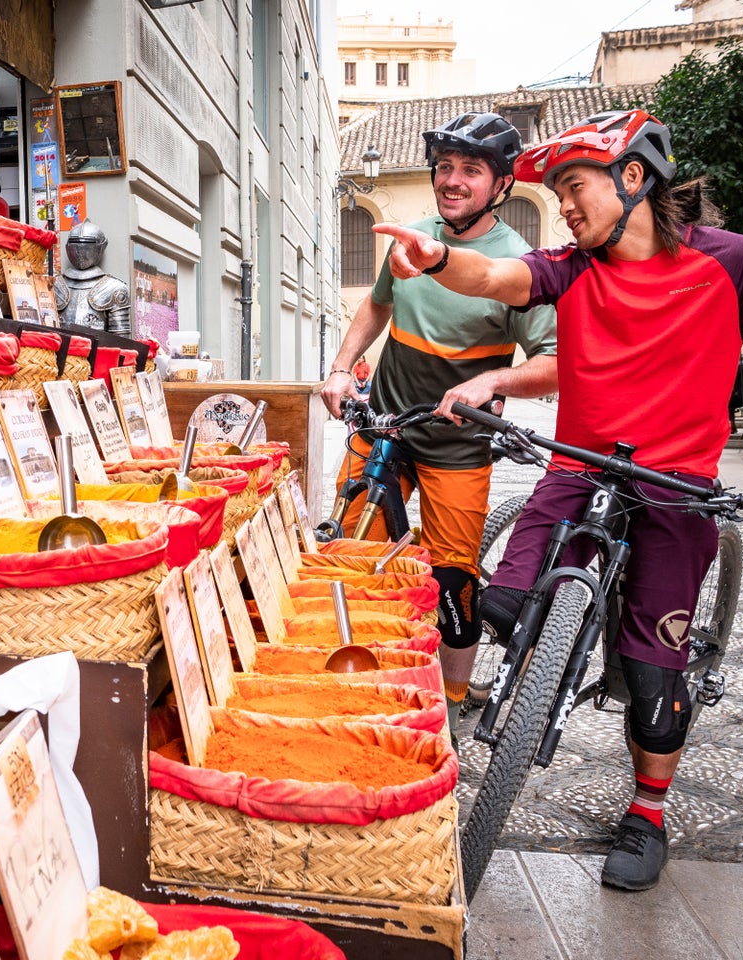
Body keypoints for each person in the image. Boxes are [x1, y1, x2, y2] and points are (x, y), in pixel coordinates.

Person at [373, 109, 743, 891]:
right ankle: (553, 661)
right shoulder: (571, 266)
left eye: (574, 188)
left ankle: (647, 813)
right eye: (557, 193)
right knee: (500, 604)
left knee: (652, 678)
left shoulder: (738, 262)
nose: (564, 207)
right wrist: (438, 258)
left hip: (678, 486)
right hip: (579, 469)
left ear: (633, 177)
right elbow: (493, 277)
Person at [321, 113, 559, 735]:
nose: (452, 180)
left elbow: (555, 362)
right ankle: (360, 683)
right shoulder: (411, 238)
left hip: (458, 442)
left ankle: (450, 705)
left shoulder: (519, 263)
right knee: (351, 559)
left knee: (455, 580)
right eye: (445, 167)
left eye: (471, 170)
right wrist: (342, 368)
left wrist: (494, 382)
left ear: (501, 184)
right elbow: (377, 304)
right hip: (385, 425)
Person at [54, 219, 131, 335]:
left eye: (87, 243)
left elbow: (120, 340)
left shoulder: (114, 289)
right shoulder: (54, 284)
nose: (80, 250)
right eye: (76, 242)